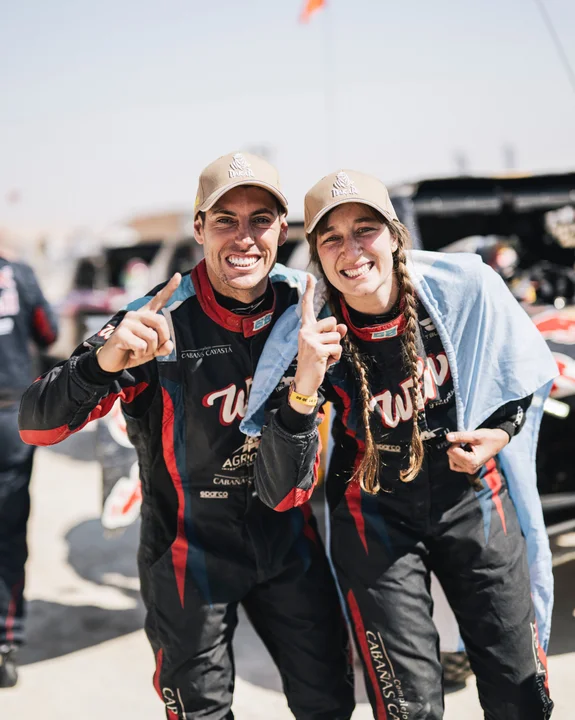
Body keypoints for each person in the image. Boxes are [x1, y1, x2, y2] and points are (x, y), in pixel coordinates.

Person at [18, 153, 354, 719]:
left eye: (260, 219)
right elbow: (36, 423)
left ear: (282, 229)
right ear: (198, 228)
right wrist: (102, 363)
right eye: (225, 220)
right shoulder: (152, 320)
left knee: (329, 704)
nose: (244, 238)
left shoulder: (309, 306)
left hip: (289, 546)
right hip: (188, 555)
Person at [244, 170, 557, 720]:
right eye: (331, 238)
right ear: (316, 252)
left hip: (473, 499)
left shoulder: (459, 289)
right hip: (375, 516)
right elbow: (277, 479)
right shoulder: (310, 330)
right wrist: (305, 386)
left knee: (521, 696)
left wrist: (499, 434)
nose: (351, 250)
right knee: (410, 709)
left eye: (364, 229)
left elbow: (521, 374)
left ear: (394, 235)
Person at [0, 237, 58, 687]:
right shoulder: (18, 274)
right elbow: (49, 332)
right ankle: (4, 643)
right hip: (8, 417)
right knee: (7, 529)